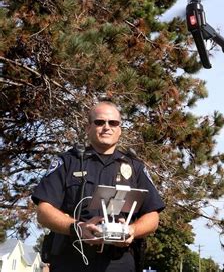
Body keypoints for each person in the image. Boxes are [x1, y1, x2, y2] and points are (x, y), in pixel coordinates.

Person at [32, 101, 165, 272]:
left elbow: (153, 216)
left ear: (120, 130)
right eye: (100, 122)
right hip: (72, 260)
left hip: (119, 262)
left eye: (113, 123)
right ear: (88, 128)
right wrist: (78, 228)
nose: (106, 127)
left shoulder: (135, 167)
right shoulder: (68, 162)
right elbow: (43, 212)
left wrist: (132, 230)